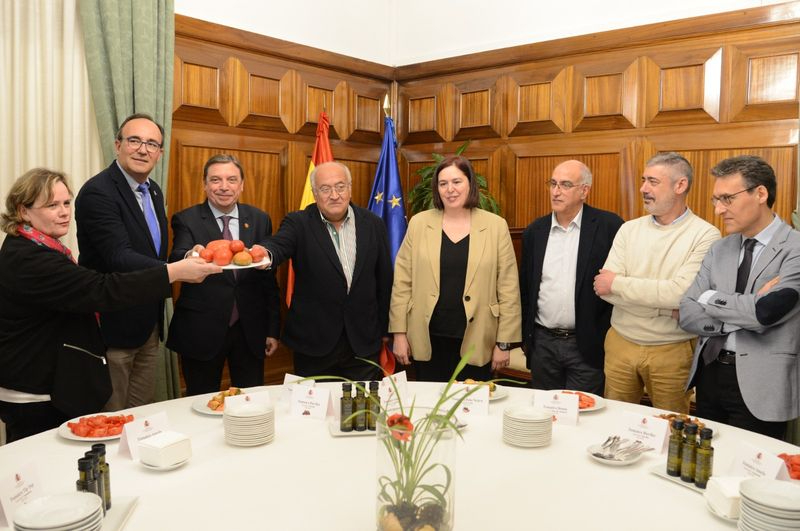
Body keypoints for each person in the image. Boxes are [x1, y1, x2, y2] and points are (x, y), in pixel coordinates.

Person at [0, 169, 220, 442]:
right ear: (23, 211)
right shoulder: (30, 259)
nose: (64, 212)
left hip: (44, 383)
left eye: (66, 202)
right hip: (34, 392)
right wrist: (172, 272)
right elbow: (101, 289)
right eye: (51, 205)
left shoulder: (37, 247)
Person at [680, 156, 800, 439]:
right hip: (709, 374)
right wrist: (738, 315)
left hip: (762, 385)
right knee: (705, 471)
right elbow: (686, 312)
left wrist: (709, 298)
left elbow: (766, 313)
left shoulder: (795, 248)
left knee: (750, 475)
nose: (719, 209)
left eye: (727, 199)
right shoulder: (719, 248)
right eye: (715, 200)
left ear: (760, 193)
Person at [594, 152, 720, 413]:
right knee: (614, 422)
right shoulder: (629, 229)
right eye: (643, 180)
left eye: (652, 181)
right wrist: (664, 308)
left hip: (672, 350)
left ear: (680, 185)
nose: (643, 189)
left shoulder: (705, 234)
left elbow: (680, 293)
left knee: (670, 429)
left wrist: (620, 284)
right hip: (620, 343)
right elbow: (603, 288)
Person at [390, 155, 521, 382]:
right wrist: (399, 334)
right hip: (427, 338)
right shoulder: (419, 223)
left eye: (457, 182)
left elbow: (508, 288)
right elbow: (402, 282)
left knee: (474, 411)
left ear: (470, 184)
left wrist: (504, 342)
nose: (450, 189)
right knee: (430, 412)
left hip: (478, 340)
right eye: (443, 183)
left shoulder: (495, 226)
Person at [259, 161, 392, 380]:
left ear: (350, 188)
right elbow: (279, 245)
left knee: (363, 412)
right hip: (314, 343)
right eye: (325, 189)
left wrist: (386, 330)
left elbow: (384, 280)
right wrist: (265, 254)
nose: (334, 195)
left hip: (363, 342)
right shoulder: (298, 222)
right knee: (316, 412)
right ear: (314, 193)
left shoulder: (373, 224)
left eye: (340, 187)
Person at [75, 113, 169, 411]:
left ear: (160, 153)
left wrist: (187, 257)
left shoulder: (153, 190)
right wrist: (173, 271)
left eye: (152, 143)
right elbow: (118, 255)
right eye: (135, 140)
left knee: (142, 414)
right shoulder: (98, 191)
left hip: (147, 324)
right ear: (118, 145)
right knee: (112, 418)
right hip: (114, 326)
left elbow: (152, 251)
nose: (143, 149)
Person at [166, 155, 281, 396]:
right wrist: (191, 254)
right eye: (215, 180)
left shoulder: (259, 219)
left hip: (250, 329)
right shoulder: (186, 218)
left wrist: (272, 328)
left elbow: (267, 279)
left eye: (231, 179)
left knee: (251, 402)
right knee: (198, 402)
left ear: (242, 185)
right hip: (201, 330)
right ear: (205, 185)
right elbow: (178, 254)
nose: (224, 187)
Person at [520, 160, 623, 395]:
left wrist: (601, 335)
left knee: (584, 416)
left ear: (584, 191)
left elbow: (618, 285)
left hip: (587, 344)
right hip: (543, 344)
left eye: (565, 185)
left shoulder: (609, 226)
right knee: (545, 415)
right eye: (553, 184)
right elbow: (526, 288)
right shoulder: (535, 231)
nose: (556, 191)